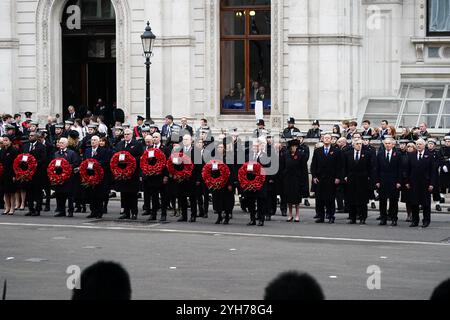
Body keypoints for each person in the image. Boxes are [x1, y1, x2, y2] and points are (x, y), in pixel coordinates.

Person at [311, 133, 342, 223]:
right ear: (322, 139)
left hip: (331, 178)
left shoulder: (336, 151)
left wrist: (338, 177)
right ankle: (321, 216)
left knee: (330, 198)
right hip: (320, 178)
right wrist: (314, 176)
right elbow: (314, 165)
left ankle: (331, 215)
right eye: (325, 138)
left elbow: (339, 166)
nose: (327, 139)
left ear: (331, 140)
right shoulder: (318, 151)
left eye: (329, 138)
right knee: (320, 198)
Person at [405, 139, 436, 228]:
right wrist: (407, 181)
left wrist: (432, 184)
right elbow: (408, 170)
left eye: (420, 144)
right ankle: (415, 220)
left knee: (426, 203)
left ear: (424, 145)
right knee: (414, 203)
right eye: (417, 144)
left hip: (425, 183)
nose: (418, 146)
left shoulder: (429, 156)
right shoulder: (411, 155)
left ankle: (426, 220)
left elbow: (433, 172)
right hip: (413, 182)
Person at [343, 139, 374, 225]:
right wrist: (345, 176)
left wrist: (369, 177)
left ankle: (362, 217)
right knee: (351, 199)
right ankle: (352, 218)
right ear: (353, 145)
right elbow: (344, 166)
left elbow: (370, 167)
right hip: (351, 179)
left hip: (363, 179)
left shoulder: (367, 154)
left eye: (360, 144)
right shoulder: (347, 154)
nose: (359, 145)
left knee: (362, 200)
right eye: (357, 144)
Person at [115, 129, 143, 220]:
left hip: (132, 173)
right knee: (124, 194)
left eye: (128, 134)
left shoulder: (137, 144)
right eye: (125, 134)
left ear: (132, 135)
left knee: (132, 194)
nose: (126, 135)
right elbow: (116, 156)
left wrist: (130, 159)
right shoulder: (120, 144)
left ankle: (134, 212)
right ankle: (126, 212)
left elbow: (140, 156)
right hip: (122, 173)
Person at [375, 138, 401, 226]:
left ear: (393, 144)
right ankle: (383, 218)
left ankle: (394, 218)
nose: (387, 145)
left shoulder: (397, 154)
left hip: (394, 181)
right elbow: (377, 168)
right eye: (386, 143)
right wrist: (377, 181)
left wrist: (398, 182)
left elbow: (399, 169)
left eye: (389, 143)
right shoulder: (380, 154)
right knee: (382, 201)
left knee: (393, 201)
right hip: (382, 181)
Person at [53, 138, 81, 217]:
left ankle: (70, 211)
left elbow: (75, 163)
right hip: (59, 177)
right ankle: (61, 210)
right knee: (59, 194)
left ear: (66, 144)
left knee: (69, 195)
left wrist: (65, 167)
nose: (60, 144)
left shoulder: (71, 153)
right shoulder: (56, 153)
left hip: (69, 177)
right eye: (59, 143)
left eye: (62, 143)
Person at [83, 136, 110, 219]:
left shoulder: (103, 150)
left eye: (95, 140)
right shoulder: (87, 150)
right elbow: (84, 161)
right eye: (92, 140)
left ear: (98, 142)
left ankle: (99, 212)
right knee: (91, 195)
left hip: (99, 176)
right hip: (90, 175)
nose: (93, 142)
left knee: (99, 195)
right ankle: (93, 211)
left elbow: (105, 161)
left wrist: (95, 164)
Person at [22, 131, 47, 217]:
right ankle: (30, 209)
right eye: (29, 135)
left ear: (36, 137)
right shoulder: (25, 146)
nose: (30, 137)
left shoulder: (41, 147)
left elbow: (43, 159)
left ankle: (38, 209)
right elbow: (22, 157)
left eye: (32, 136)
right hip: (27, 173)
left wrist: (34, 164)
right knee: (29, 192)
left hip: (37, 172)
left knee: (37, 192)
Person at [282, 138, 308, 222]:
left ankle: (297, 214)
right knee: (288, 198)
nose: (293, 148)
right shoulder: (286, 154)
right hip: (288, 179)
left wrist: (303, 180)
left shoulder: (301, 155)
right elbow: (283, 166)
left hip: (297, 179)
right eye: (292, 146)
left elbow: (304, 168)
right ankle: (290, 214)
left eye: (295, 146)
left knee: (296, 198)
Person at [211, 143, 235, 225]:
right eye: (218, 147)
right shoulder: (215, 159)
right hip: (217, 182)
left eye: (221, 147)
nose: (219, 148)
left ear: (224, 149)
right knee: (218, 200)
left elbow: (231, 172)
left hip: (226, 183)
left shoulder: (228, 158)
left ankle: (227, 216)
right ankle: (219, 216)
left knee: (226, 200)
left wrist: (230, 184)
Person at [0, 135, 19, 215]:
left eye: (6, 140)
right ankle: (7, 207)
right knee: (5, 192)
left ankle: (12, 207)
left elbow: (16, 164)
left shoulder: (14, 150)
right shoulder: (2, 150)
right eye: (4, 140)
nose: (5, 142)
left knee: (11, 192)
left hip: (11, 173)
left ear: (10, 141)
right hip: (3, 174)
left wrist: (15, 175)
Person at [439, 136, 450, 212]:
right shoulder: (441, 149)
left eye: (449, 141)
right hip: (443, 168)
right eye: (446, 141)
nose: (447, 142)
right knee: (442, 183)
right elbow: (439, 158)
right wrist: (443, 166)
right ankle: (442, 197)